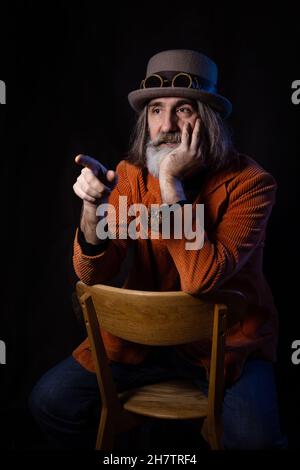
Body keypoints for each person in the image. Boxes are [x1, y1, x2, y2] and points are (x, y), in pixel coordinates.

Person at [29, 49, 287, 449]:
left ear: (208, 119)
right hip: (142, 343)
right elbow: (92, 273)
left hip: (226, 350)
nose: (165, 125)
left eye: (183, 109)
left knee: (257, 442)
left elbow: (200, 280)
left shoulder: (252, 185)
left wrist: (171, 185)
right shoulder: (130, 177)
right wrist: (91, 209)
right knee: (49, 402)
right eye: (154, 111)